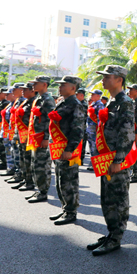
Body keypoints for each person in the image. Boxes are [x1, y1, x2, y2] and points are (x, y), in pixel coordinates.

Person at [85, 65, 136, 255]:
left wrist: (118, 160)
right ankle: (110, 232)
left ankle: (116, 237)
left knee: (118, 198)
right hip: (106, 157)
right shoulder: (112, 101)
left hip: (116, 159)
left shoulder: (125, 102)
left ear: (119, 80)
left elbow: (127, 134)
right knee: (107, 198)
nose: (103, 80)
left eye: (107, 77)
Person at [47, 76, 85, 225]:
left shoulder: (76, 104)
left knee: (69, 181)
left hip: (68, 149)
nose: (60, 87)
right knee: (60, 179)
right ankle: (65, 208)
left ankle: (71, 212)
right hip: (58, 146)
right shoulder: (63, 102)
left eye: (64, 85)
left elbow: (77, 130)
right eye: (60, 85)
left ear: (73, 88)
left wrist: (70, 149)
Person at [27, 76, 57, 204]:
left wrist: (46, 138)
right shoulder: (39, 99)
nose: (33, 85)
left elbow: (52, 120)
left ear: (44, 84)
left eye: (36, 83)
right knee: (35, 164)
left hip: (42, 139)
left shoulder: (48, 100)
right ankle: (39, 189)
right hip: (35, 137)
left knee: (42, 166)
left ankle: (43, 192)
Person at [13, 84, 37, 192]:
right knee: (23, 158)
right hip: (22, 135)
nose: (23, 91)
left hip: (29, 135)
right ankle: (24, 178)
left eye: (25, 89)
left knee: (28, 160)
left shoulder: (34, 102)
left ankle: (29, 182)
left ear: (32, 91)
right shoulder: (25, 101)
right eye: (22, 89)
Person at [86, 89, 105, 171]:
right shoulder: (93, 104)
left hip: (95, 130)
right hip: (90, 130)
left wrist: (99, 130)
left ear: (98, 96)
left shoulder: (100, 105)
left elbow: (100, 119)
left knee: (95, 147)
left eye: (93, 94)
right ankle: (93, 163)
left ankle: (95, 164)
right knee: (91, 147)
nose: (91, 96)